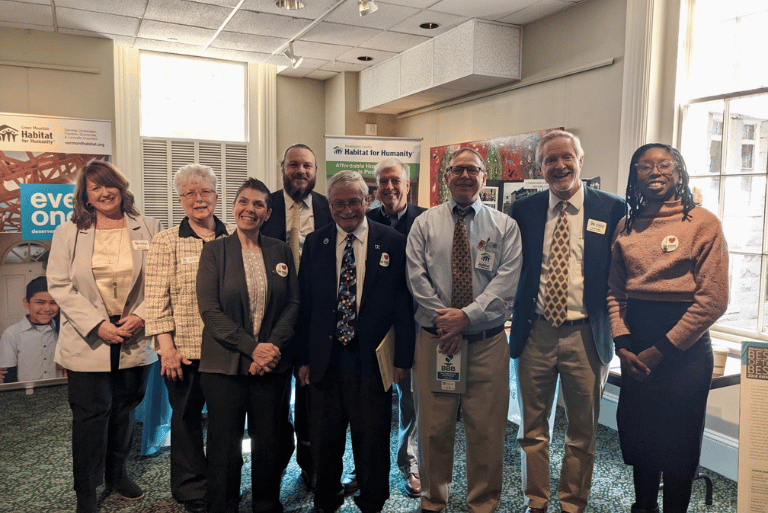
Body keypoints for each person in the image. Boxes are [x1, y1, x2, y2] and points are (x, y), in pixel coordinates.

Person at [509, 130, 626, 513]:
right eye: (550, 160)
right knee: (532, 427)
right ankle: (536, 500)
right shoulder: (523, 211)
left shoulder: (612, 209)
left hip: (588, 334)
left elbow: (623, 274)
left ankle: (572, 502)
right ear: (540, 167)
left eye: (566, 157)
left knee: (582, 431)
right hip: (535, 332)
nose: (559, 166)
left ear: (580, 159)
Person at [607, 143, 728, 513]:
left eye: (664, 164)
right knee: (640, 439)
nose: (654, 172)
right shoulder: (626, 225)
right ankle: (644, 507)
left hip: (684, 353)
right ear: (634, 176)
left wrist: (659, 350)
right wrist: (623, 344)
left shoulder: (703, 223)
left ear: (679, 172)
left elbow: (713, 300)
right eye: (644, 166)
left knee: (678, 445)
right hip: (635, 344)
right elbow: (614, 292)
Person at [406, 148, 522, 513]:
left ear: (483, 178)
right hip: (435, 341)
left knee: (486, 430)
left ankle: (483, 503)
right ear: (447, 177)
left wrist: (466, 317)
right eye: (458, 170)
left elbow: (506, 282)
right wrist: (447, 320)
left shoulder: (505, 226)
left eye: (473, 170)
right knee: (433, 428)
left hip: (487, 344)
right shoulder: (424, 223)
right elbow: (415, 277)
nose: (465, 176)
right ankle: (433, 498)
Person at [296, 170, 414, 513]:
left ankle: (372, 501)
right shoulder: (316, 243)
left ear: (368, 200)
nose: (346, 209)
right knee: (325, 440)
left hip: (372, 361)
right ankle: (326, 499)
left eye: (354, 201)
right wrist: (301, 358)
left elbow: (404, 306)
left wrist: (402, 360)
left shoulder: (392, 241)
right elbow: (304, 305)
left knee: (372, 440)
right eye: (338, 203)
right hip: (324, 359)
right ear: (329, 205)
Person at [47, 160, 161, 513]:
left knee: (125, 410)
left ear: (121, 188)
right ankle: (86, 488)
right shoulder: (68, 231)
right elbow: (60, 285)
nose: (104, 192)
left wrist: (140, 317)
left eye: (109, 184)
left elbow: (159, 281)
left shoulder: (149, 227)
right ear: (85, 195)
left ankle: (117, 474)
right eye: (94, 188)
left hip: (133, 334)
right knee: (90, 416)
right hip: (88, 337)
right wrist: (98, 324)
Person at [196, 178, 299, 513]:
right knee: (224, 444)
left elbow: (293, 304)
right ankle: (223, 505)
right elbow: (210, 310)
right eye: (243, 201)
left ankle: (266, 504)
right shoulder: (215, 251)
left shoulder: (280, 250)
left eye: (258, 204)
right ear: (234, 206)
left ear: (268, 213)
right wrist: (252, 348)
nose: (249, 209)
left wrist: (270, 348)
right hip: (224, 366)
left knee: (268, 441)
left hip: (271, 367)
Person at [144, 164, 233, 513]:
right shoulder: (166, 241)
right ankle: (191, 488)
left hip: (227, 351)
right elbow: (155, 300)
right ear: (180, 199)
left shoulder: (234, 237)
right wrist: (166, 347)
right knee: (185, 421)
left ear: (216, 195)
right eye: (190, 193)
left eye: (206, 191)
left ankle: (224, 483)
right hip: (184, 351)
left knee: (226, 425)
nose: (199, 199)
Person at [260, 143, 332, 491]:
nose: (300, 171)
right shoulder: (265, 205)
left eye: (307, 166)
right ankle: (272, 466)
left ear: (315, 171)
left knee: (312, 398)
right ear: (282, 167)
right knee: (272, 400)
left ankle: (311, 466)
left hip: (315, 318)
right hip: (272, 319)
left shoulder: (327, 207)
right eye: (293, 165)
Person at [366, 157, 426, 498]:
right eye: (382, 182)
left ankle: (410, 463)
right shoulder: (366, 219)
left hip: (415, 326)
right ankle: (366, 468)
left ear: (407, 185)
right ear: (375, 188)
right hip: (375, 329)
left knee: (411, 401)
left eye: (395, 181)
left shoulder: (428, 220)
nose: (388, 187)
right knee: (370, 402)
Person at [0, 276, 61, 383]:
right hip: (27, 395)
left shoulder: (64, 330)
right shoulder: (12, 334)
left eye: (53, 303)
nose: (47, 308)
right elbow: (8, 376)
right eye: (40, 302)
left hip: (58, 392)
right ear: (26, 302)